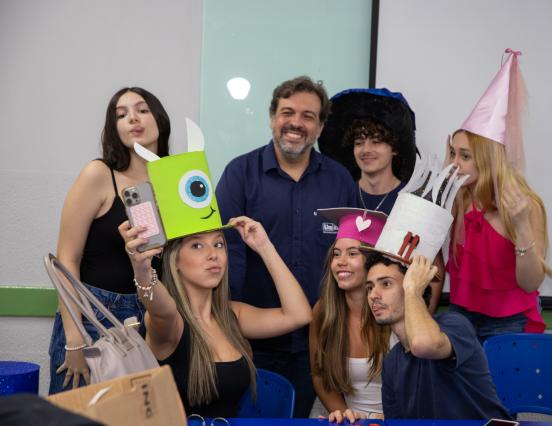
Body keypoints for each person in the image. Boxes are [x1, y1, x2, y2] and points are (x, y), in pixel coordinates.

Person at [215, 76, 357, 417]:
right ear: (272, 118)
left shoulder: (339, 180)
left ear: (320, 127)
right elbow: (222, 253)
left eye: (308, 116)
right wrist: (224, 328)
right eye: (287, 112)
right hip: (250, 338)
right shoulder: (240, 173)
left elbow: (352, 255)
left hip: (316, 343)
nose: (296, 123)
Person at [118, 216, 312, 418]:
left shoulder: (233, 314)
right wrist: (142, 270)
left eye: (219, 244)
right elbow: (163, 311)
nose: (213, 255)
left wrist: (265, 247)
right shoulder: (171, 323)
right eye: (197, 246)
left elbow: (299, 315)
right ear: (174, 260)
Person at [48, 87, 170, 394]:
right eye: (121, 114)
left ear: (159, 119)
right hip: (92, 315)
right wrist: (75, 339)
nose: (133, 118)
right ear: (114, 128)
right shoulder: (99, 174)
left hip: (152, 319)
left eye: (142, 110)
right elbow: (67, 259)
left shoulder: (175, 182)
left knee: (137, 413)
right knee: (76, 411)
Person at [446, 49, 552, 342]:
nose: (454, 163)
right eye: (453, 153)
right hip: (462, 315)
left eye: (465, 156)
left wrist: (520, 226)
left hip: (510, 320)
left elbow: (530, 283)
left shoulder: (525, 205)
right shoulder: (458, 199)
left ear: (489, 159)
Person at [364, 253, 511, 419]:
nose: (373, 295)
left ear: (416, 283)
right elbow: (395, 422)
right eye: (369, 287)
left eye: (386, 284)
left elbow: (423, 345)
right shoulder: (391, 362)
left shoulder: (455, 324)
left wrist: (413, 291)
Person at [309, 208, 390, 423]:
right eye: (336, 254)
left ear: (373, 261)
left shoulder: (395, 311)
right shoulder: (324, 311)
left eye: (352, 253)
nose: (340, 261)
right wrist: (346, 415)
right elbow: (319, 375)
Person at [318, 88, 417, 216]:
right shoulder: (340, 196)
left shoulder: (411, 202)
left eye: (376, 142)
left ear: (395, 148)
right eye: (359, 143)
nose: (366, 150)